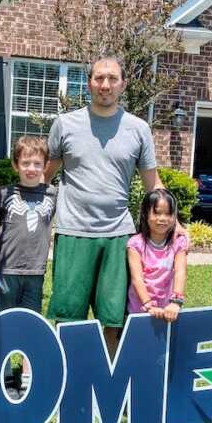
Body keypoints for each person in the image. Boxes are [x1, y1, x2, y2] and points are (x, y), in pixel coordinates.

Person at [44, 55, 167, 353]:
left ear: (122, 84)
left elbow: (153, 183)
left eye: (112, 78)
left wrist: (178, 225)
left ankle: (109, 387)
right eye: (99, 78)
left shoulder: (138, 129)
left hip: (118, 236)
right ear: (89, 83)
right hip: (73, 232)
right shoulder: (65, 124)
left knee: (113, 319)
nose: (105, 85)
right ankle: (70, 383)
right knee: (68, 319)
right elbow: (44, 179)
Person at [0, 135, 57, 398]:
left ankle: (25, 378)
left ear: (46, 165)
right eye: (25, 163)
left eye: (37, 163)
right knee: (0, 324)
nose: (31, 168)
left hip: (35, 274)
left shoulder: (53, 195)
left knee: (30, 326)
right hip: (6, 272)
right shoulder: (4, 194)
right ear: (16, 165)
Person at [127, 189, 188, 321]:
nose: (163, 219)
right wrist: (148, 305)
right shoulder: (135, 244)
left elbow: (180, 272)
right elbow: (137, 279)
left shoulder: (178, 242)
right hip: (140, 308)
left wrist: (176, 302)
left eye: (168, 214)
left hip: (169, 308)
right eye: (157, 213)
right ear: (145, 214)